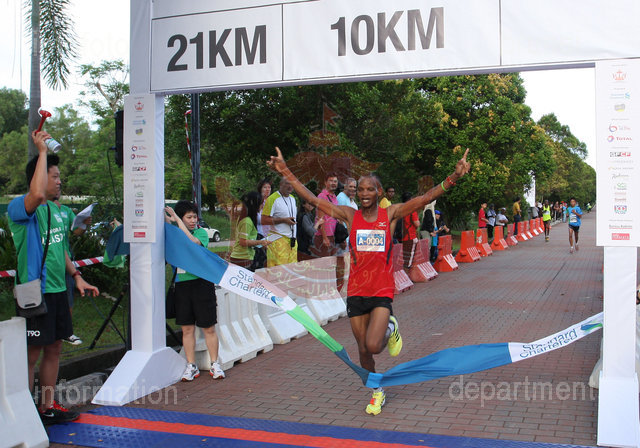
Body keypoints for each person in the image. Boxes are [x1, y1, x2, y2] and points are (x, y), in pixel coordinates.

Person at [267, 146, 471, 416]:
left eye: (369, 189)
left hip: (381, 291)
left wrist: (453, 177)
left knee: (374, 344)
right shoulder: (350, 216)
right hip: (356, 292)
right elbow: (312, 199)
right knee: (363, 350)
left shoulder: (390, 214)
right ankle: (377, 390)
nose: (364, 194)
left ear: (378, 192)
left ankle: (391, 326)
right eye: (360, 189)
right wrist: (285, 170)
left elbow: (425, 198)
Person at [8, 131, 99, 425]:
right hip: (36, 292)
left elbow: (60, 250)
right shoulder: (20, 208)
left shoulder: (56, 212)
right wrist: (42, 151)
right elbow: (36, 195)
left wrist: (77, 276)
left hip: (59, 290)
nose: (60, 181)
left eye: (60, 177)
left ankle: (47, 407)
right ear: (38, 177)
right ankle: (23, 411)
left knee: (55, 347)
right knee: (31, 353)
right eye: (54, 176)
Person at [165, 201, 225, 381]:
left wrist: (177, 220)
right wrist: (169, 220)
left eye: (194, 217)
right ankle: (191, 366)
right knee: (187, 329)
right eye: (188, 217)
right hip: (182, 286)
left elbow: (194, 243)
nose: (192, 220)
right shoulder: (175, 235)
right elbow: (168, 233)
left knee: (208, 327)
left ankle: (215, 364)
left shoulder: (201, 233)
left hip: (202, 284)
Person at [54, 199, 91, 346]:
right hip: (49, 263)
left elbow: (76, 231)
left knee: (68, 297)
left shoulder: (65, 210)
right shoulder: (39, 210)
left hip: (66, 262)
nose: (58, 188)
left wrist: (84, 224)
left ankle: (67, 332)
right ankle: (49, 331)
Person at [229, 192, 272, 270]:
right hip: (242, 258)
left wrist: (260, 244)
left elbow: (248, 240)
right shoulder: (247, 221)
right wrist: (260, 242)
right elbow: (243, 242)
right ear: (255, 205)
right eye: (261, 204)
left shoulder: (247, 219)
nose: (262, 206)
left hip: (243, 257)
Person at [261, 177, 298, 267]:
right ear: (281, 184)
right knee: (278, 271)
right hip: (278, 240)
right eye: (287, 183)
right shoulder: (272, 199)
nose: (290, 186)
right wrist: (283, 220)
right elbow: (263, 220)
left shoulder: (292, 198)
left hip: (292, 241)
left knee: (291, 270)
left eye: (292, 184)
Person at [313, 172, 339, 257]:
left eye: (335, 181)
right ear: (325, 182)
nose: (333, 183)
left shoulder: (334, 197)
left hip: (332, 235)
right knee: (324, 263)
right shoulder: (322, 196)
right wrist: (324, 238)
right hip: (323, 236)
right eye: (331, 181)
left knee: (331, 262)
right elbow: (320, 219)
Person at [253, 178, 273, 270]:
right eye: (265, 187)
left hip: (271, 235)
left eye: (269, 187)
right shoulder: (256, 202)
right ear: (260, 189)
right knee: (260, 260)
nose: (267, 189)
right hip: (259, 235)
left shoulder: (273, 202)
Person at [399, 192, 421, 268]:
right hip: (410, 236)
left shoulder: (399, 209)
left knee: (402, 257)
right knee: (409, 258)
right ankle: (407, 272)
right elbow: (417, 224)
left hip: (400, 236)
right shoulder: (412, 210)